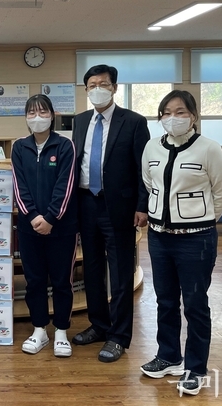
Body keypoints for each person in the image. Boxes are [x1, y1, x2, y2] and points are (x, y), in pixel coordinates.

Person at [139, 90, 222, 396]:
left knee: (195, 303)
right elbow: (149, 183)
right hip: (159, 237)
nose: (172, 118)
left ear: (193, 115)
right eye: (166, 112)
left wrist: (200, 221)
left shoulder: (209, 149)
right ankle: (168, 356)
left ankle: (196, 367)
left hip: (196, 240)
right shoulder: (152, 147)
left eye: (180, 112)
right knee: (165, 300)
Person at [71, 64, 150, 362]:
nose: (97, 89)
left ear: (114, 88)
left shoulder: (134, 122)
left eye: (103, 84)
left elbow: (144, 168)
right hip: (85, 203)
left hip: (119, 207)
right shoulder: (80, 121)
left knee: (120, 273)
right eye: (91, 85)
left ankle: (119, 336)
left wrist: (142, 205)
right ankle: (99, 325)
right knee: (91, 269)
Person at [11, 94, 79, 358]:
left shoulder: (65, 146)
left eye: (42, 112)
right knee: (35, 280)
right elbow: (19, 186)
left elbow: (66, 185)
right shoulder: (19, 147)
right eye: (31, 112)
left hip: (61, 228)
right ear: (26, 117)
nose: (37, 117)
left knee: (62, 281)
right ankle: (39, 330)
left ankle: (61, 331)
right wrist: (32, 216)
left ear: (52, 115)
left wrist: (50, 218)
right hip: (29, 228)